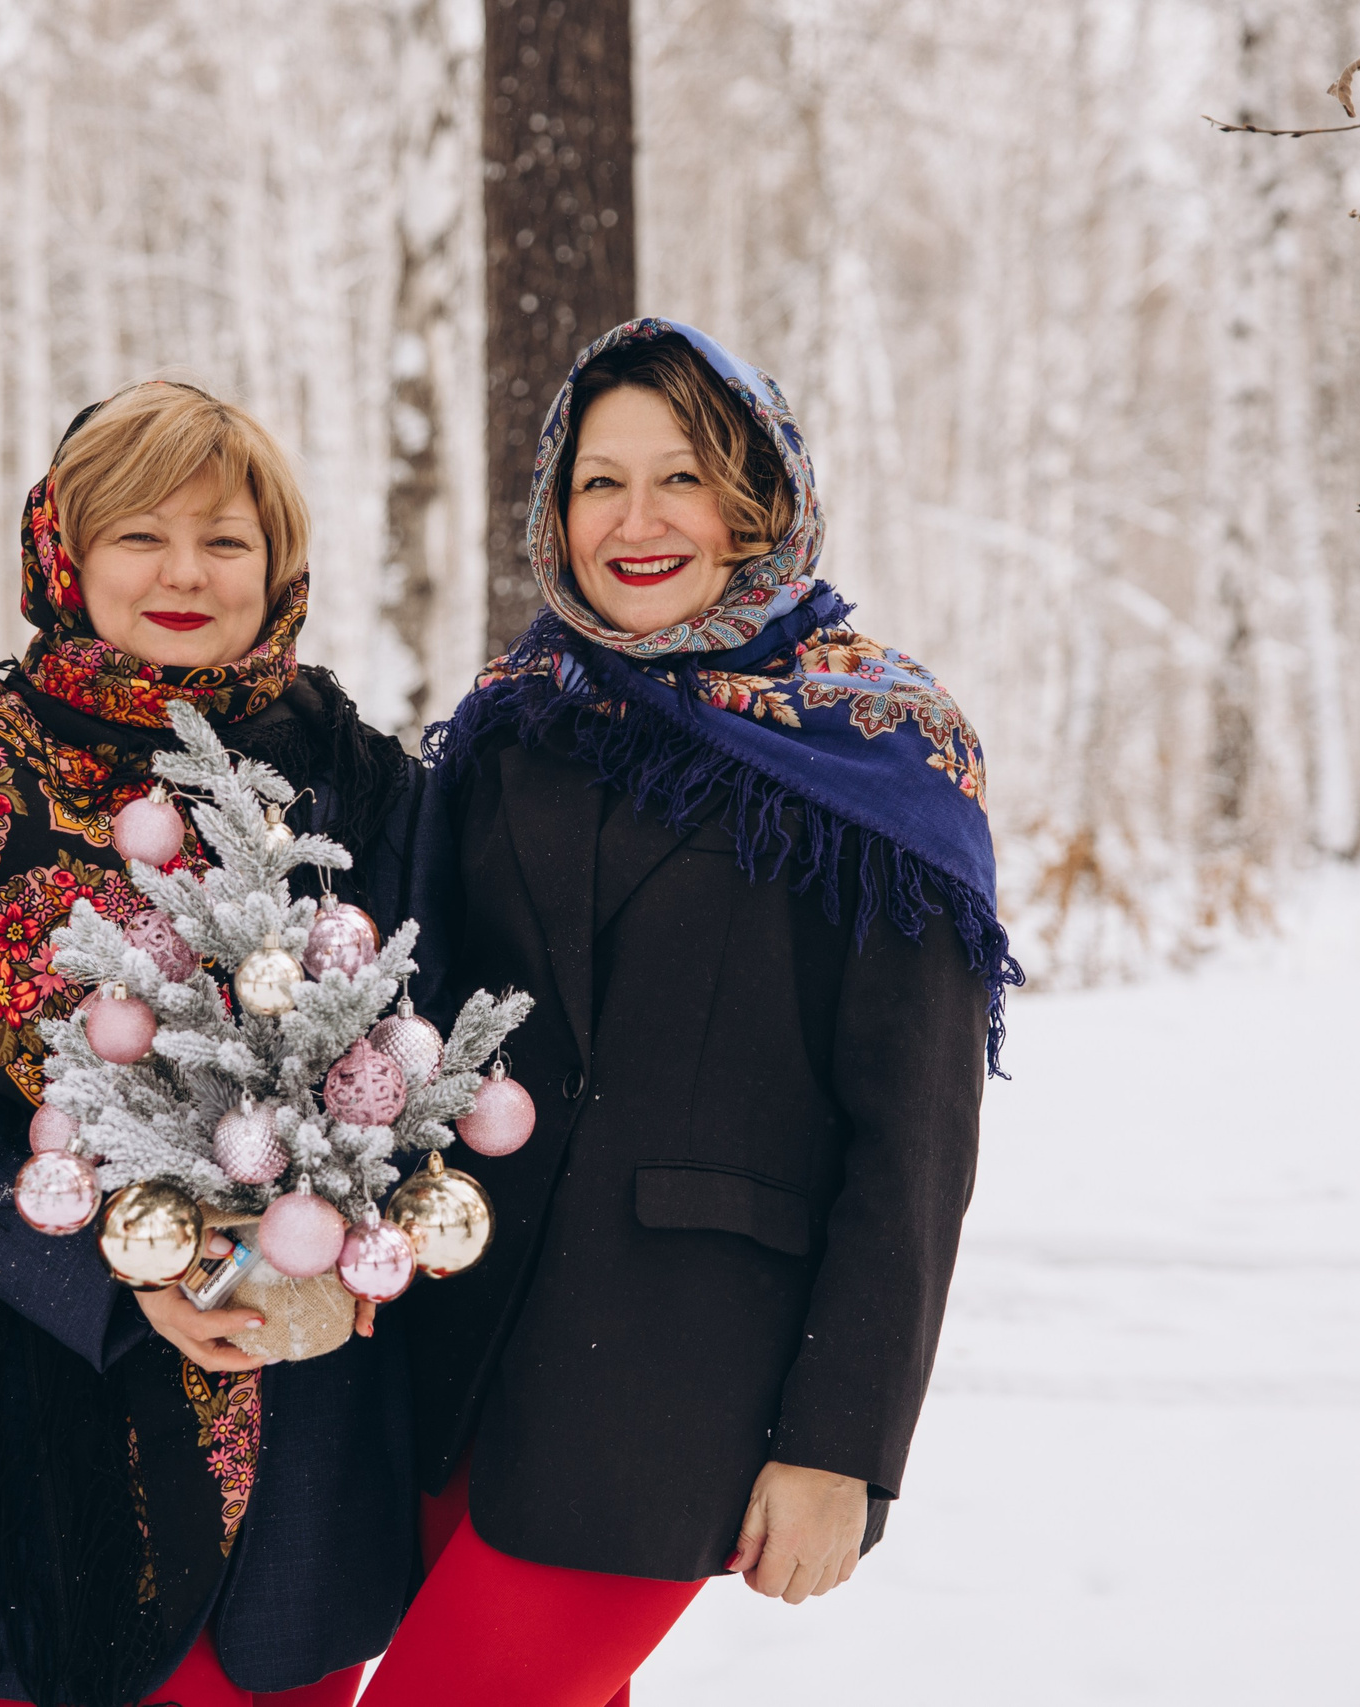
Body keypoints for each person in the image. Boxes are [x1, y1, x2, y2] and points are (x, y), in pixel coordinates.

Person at [364, 319, 1020, 1706]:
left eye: (683, 478)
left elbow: (912, 1147)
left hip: (676, 1392)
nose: (637, 520)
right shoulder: (514, 719)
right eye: (600, 482)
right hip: (448, 1365)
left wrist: (842, 1446)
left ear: (759, 501)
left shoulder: (882, 753)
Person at [0, 380, 420, 1707]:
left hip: (305, 1417)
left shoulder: (355, 779)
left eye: (226, 538)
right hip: (39, 1409)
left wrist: (366, 1223)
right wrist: (118, 1267)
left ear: (281, 564)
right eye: (141, 534)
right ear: (63, 553)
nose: (186, 572)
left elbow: (418, 1045)